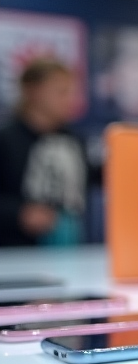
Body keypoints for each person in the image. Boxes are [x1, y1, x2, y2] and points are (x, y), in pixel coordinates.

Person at [0, 58, 87, 247]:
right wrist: (19, 214)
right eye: (61, 92)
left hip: (70, 250)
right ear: (33, 91)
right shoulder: (7, 139)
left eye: (72, 92)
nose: (70, 100)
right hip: (15, 254)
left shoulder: (74, 140)